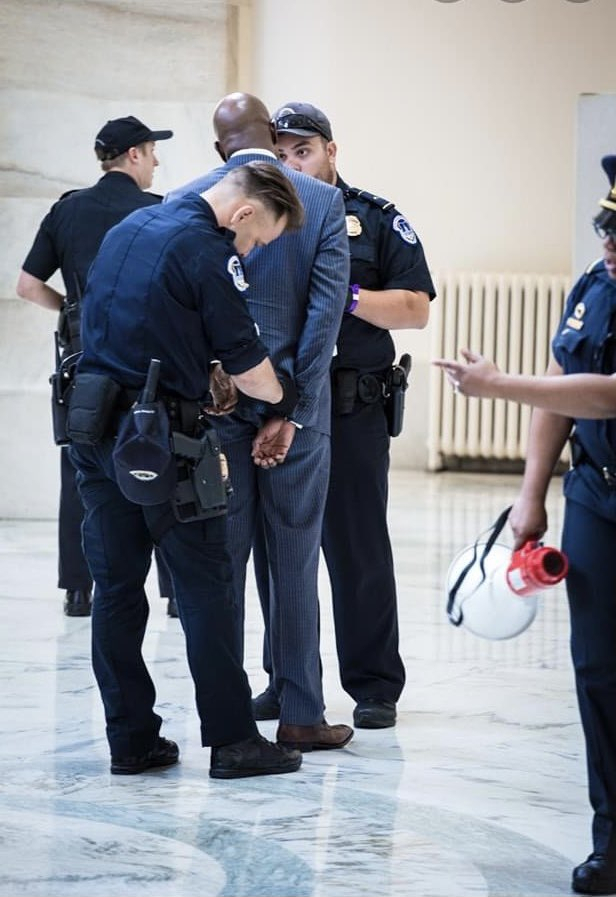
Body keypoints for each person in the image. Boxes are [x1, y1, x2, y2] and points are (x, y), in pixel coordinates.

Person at [69, 160, 306, 779]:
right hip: (164, 441)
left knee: (117, 590)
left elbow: (133, 321)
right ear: (245, 213)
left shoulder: (131, 226)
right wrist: (287, 402)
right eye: (255, 242)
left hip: (95, 430)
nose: (248, 252)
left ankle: (132, 741)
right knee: (207, 588)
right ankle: (233, 742)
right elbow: (251, 367)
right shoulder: (206, 250)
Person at [434, 154, 616, 895]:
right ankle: (612, 837)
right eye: (608, 227)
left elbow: (606, 394)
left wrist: (497, 385)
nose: (610, 245)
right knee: (599, 671)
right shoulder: (596, 287)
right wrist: (532, 492)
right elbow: (563, 389)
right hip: (600, 501)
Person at [166, 93, 354, 752]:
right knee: (297, 557)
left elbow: (184, 313)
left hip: (216, 411)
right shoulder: (325, 203)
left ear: (221, 149)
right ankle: (302, 708)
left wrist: (219, 379)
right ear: (273, 137)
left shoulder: (183, 200)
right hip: (297, 416)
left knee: (224, 561)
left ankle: (231, 718)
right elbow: (325, 319)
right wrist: (291, 412)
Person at [252, 102, 435, 730]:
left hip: (352, 403)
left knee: (356, 546)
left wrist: (343, 291)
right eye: (280, 154)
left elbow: (415, 308)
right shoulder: (262, 218)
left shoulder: (375, 219)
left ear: (332, 150)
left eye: (302, 151)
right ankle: (286, 679)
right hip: (277, 405)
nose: (291, 164)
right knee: (275, 548)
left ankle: (375, 684)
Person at [16, 115, 174, 617]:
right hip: (148, 360)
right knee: (163, 461)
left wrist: (71, 308)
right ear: (133, 156)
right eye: (151, 152)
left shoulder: (68, 210)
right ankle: (173, 592)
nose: (155, 162)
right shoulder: (158, 211)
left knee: (82, 469)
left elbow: (27, 284)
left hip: (84, 359)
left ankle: (79, 590)